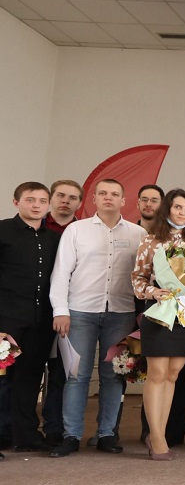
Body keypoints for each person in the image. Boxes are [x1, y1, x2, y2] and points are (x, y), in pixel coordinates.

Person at [49, 179, 146, 458]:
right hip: (80, 312)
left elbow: (145, 274)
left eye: (114, 194)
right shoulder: (76, 230)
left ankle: (106, 434)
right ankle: (71, 435)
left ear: (123, 201)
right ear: (94, 199)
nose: (108, 197)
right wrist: (60, 310)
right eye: (102, 193)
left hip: (121, 313)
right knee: (76, 375)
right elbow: (61, 272)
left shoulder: (138, 233)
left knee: (113, 376)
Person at [131, 189, 185, 460]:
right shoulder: (150, 241)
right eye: (177, 207)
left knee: (173, 374)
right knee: (157, 373)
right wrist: (152, 291)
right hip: (160, 311)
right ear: (167, 208)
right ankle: (155, 436)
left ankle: (160, 432)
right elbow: (138, 279)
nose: (182, 212)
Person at [0, 183, 60, 453]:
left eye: (42, 200)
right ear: (16, 202)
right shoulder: (2, 231)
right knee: (2, 380)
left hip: (40, 321)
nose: (36, 205)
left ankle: (25, 435)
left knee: (29, 378)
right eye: (30, 199)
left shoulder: (54, 239)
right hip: (6, 320)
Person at [41, 179, 82, 444]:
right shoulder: (36, 227)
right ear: (51, 198)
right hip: (34, 309)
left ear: (80, 203)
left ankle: (54, 427)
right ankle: (13, 429)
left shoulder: (82, 231)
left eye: (72, 197)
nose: (65, 201)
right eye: (61, 195)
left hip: (70, 309)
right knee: (26, 370)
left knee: (62, 371)